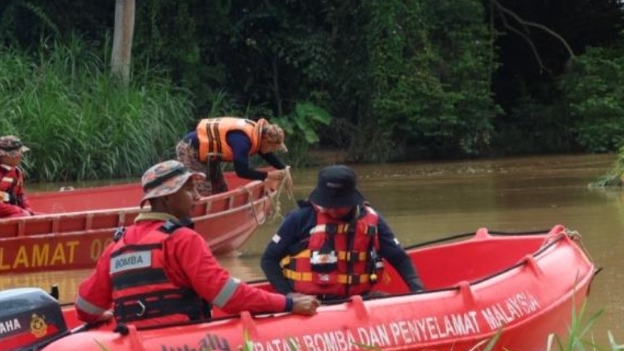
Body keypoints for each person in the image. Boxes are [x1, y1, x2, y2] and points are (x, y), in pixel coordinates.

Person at [75, 160, 319, 331]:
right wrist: (288, 303)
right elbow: (228, 296)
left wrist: (105, 316)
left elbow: (85, 307)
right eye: (189, 189)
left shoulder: (118, 245)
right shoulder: (182, 240)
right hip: (181, 341)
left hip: (134, 341)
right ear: (166, 198)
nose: (198, 197)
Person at [260, 165, 425, 301]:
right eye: (327, 204)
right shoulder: (300, 218)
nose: (331, 209)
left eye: (338, 205)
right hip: (313, 303)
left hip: (360, 298)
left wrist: (417, 290)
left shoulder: (372, 220)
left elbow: (399, 258)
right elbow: (269, 259)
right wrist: (289, 296)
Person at [175, 117, 290, 196]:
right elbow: (241, 171)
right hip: (190, 149)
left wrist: (283, 169)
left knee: (221, 188)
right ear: (265, 140)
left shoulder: (257, 136)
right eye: (273, 147)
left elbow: (267, 154)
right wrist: (268, 175)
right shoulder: (243, 142)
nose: (272, 151)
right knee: (203, 190)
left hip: (210, 155)